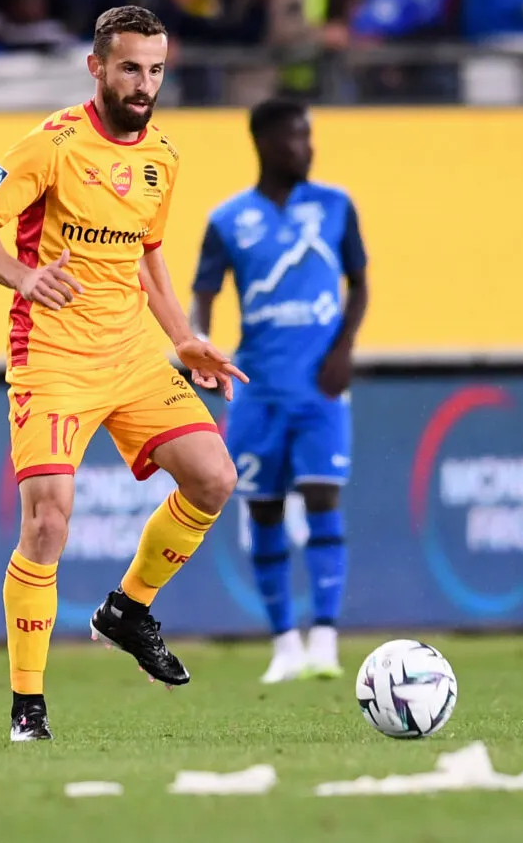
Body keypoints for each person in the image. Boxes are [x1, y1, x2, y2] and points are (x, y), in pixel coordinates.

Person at [0, 5, 246, 743]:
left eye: (156, 70)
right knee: (48, 521)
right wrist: (24, 276)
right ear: (97, 68)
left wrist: (184, 337)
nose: (144, 84)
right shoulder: (50, 146)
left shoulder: (162, 158)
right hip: (52, 357)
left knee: (214, 478)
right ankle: (28, 708)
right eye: (130, 68)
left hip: (132, 354)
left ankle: (128, 610)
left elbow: (147, 253)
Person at [189, 98, 369, 684]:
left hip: (320, 387)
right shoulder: (228, 219)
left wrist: (343, 351)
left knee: (322, 498)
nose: (306, 148)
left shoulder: (336, 205)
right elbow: (204, 293)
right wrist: (201, 347)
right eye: (295, 137)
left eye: (308, 137)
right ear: (265, 143)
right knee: (262, 506)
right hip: (258, 388)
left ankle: (326, 639)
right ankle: (284, 644)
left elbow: (360, 284)